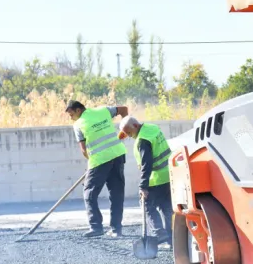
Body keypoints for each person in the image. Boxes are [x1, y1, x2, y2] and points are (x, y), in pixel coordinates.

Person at [65, 100, 129, 238]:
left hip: (99, 161)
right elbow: (124, 109)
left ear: (78, 110)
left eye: (71, 114)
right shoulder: (103, 110)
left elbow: (83, 150)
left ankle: (96, 227)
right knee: (116, 194)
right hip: (118, 155)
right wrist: (124, 131)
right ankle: (116, 229)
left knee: (89, 194)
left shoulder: (78, 125)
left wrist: (91, 164)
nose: (71, 118)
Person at [118, 115, 173, 249]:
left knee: (147, 206)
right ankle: (173, 240)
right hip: (169, 175)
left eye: (130, 133)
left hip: (156, 178)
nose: (130, 136)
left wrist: (143, 186)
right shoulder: (152, 128)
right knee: (167, 208)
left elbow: (146, 165)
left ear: (136, 126)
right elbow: (128, 130)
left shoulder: (142, 141)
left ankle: (159, 233)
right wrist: (124, 132)